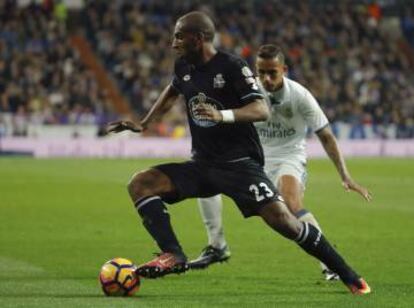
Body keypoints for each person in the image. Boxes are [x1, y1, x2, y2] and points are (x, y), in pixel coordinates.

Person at [107, 11, 370, 294]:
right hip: (203, 166)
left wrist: (223, 115)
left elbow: (261, 109)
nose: (173, 43)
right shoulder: (183, 65)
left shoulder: (232, 66)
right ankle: (173, 254)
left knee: (285, 221)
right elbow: (172, 91)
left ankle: (348, 274)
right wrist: (144, 123)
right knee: (141, 183)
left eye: (179, 36)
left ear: (198, 38)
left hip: (239, 166)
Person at [189, 44, 373, 281]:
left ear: (284, 69)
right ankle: (217, 245)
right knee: (207, 179)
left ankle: (329, 264)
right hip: (253, 156)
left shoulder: (300, 96)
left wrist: (345, 176)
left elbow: (326, 135)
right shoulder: (246, 91)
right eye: (260, 72)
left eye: (272, 72)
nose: (265, 78)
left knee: (291, 205)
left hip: (289, 156)